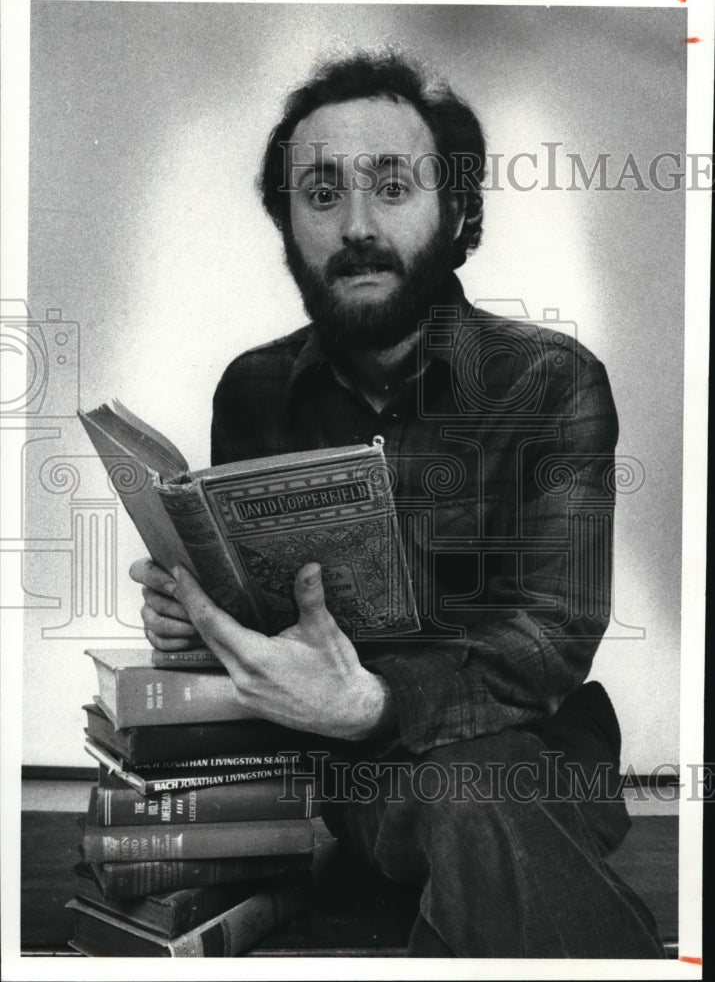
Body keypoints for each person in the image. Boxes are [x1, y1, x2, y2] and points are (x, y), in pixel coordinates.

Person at [130, 49, 664, 958]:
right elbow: (271, 623)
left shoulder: (550, 381)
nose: (357, 225)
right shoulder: (252, 391)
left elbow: (551, 635)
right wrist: (202, 623)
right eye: (322, 191)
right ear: (286, 221)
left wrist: (375, 704)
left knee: (480, 785)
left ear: (456, 211)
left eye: (392, 184)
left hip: (531, 754)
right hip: (337, 780)